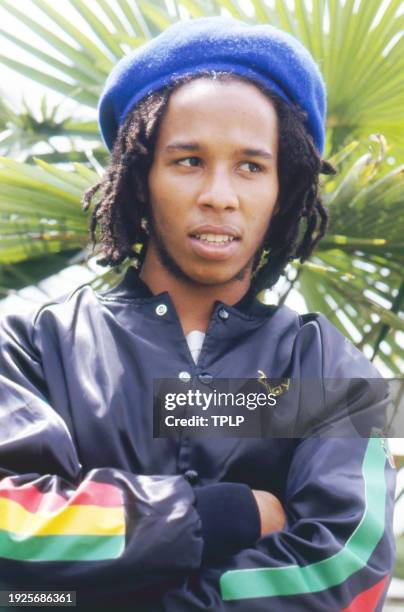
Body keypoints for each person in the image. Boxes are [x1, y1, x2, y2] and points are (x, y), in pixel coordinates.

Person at [0, 16, 396, 612]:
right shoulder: (32, 347)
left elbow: (346, 568)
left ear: (282, 190)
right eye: (188, 161)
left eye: (250, 166)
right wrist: (212, 515)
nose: (219, 194)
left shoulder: (328, 372)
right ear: (141, 177)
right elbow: (11, 534)